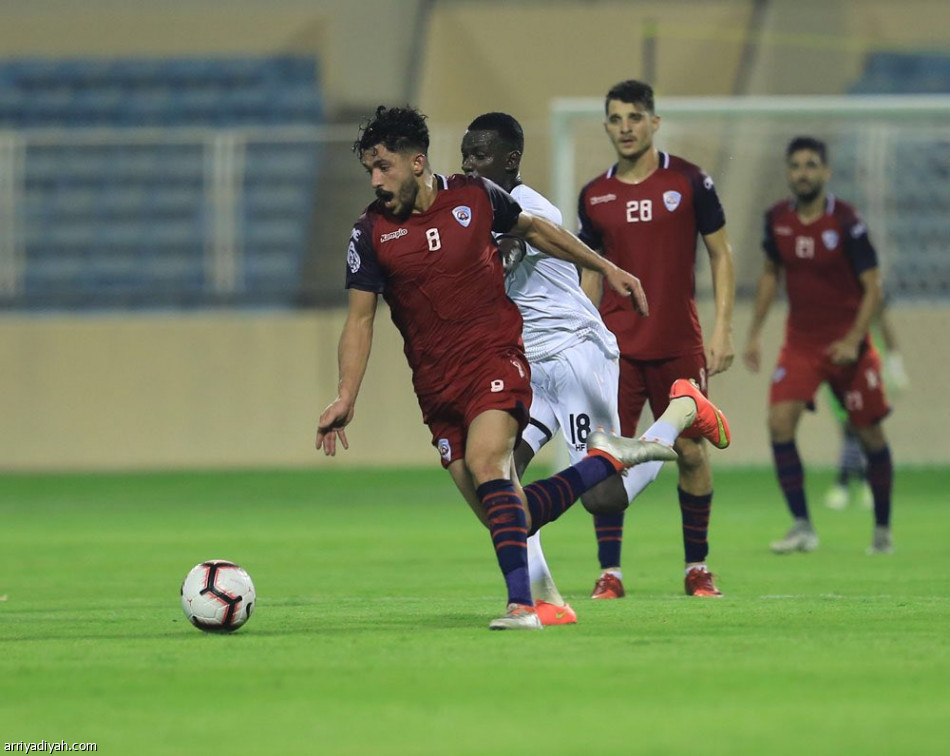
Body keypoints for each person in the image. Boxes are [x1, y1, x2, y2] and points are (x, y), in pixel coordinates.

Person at [315, 105, 677, 631]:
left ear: (417, 162)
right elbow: (360, 321)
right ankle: (605, 461)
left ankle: (522, 607)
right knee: (506, 515)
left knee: (491, 466)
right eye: (369, 169)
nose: (375, 180)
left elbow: (538, 231)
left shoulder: (474, 196)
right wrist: (346, 395)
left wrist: (606, 267)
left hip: (496, 359)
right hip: (436, 388)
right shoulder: (368, 234)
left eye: (383, 167)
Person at [459, 111, 732, 622]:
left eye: (480, 156)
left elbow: (512, 248)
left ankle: (679, 412)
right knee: (499, 474)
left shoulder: (529, 208)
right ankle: (544, 595)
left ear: (511, 159)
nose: (470, 166)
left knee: (605, 499)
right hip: (530, 365)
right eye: (465, 157)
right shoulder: (475, 206)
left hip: (574, 354)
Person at [576, 80, 737, 598]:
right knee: (606, 457)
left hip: (678, 345)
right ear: (606, 126)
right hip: (615, 352)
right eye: (616, 119)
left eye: (635, 117)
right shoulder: (594, 196)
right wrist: (582, 336)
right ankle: (610, 573)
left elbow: (721, 253)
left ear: (654, 122)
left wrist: (723, 327)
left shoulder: (689, 181)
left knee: (691, 453)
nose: (626, 127)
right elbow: (591, 274)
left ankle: (697, 567)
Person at [743, 136, 895, 555]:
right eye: (796, 166)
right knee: (779, 423)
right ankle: (802, 526)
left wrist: (853, 339)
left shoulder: (847, 221)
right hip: (802, 345)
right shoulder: (776, 219)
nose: (803, 173)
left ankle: (882, 529)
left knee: (870, 437)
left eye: (811, 165)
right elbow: (771, 274)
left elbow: (873, 287)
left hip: (849, 346)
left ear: (825, 172)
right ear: (789, 173)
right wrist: (754, 332)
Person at [824, 295, 908, 510]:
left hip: (867, 368)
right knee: (850, 429)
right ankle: (861, 483)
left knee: (860, 428)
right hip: (840, 368)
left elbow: (885, 327)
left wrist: (894, 366)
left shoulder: (867, 294)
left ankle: (844, 484)